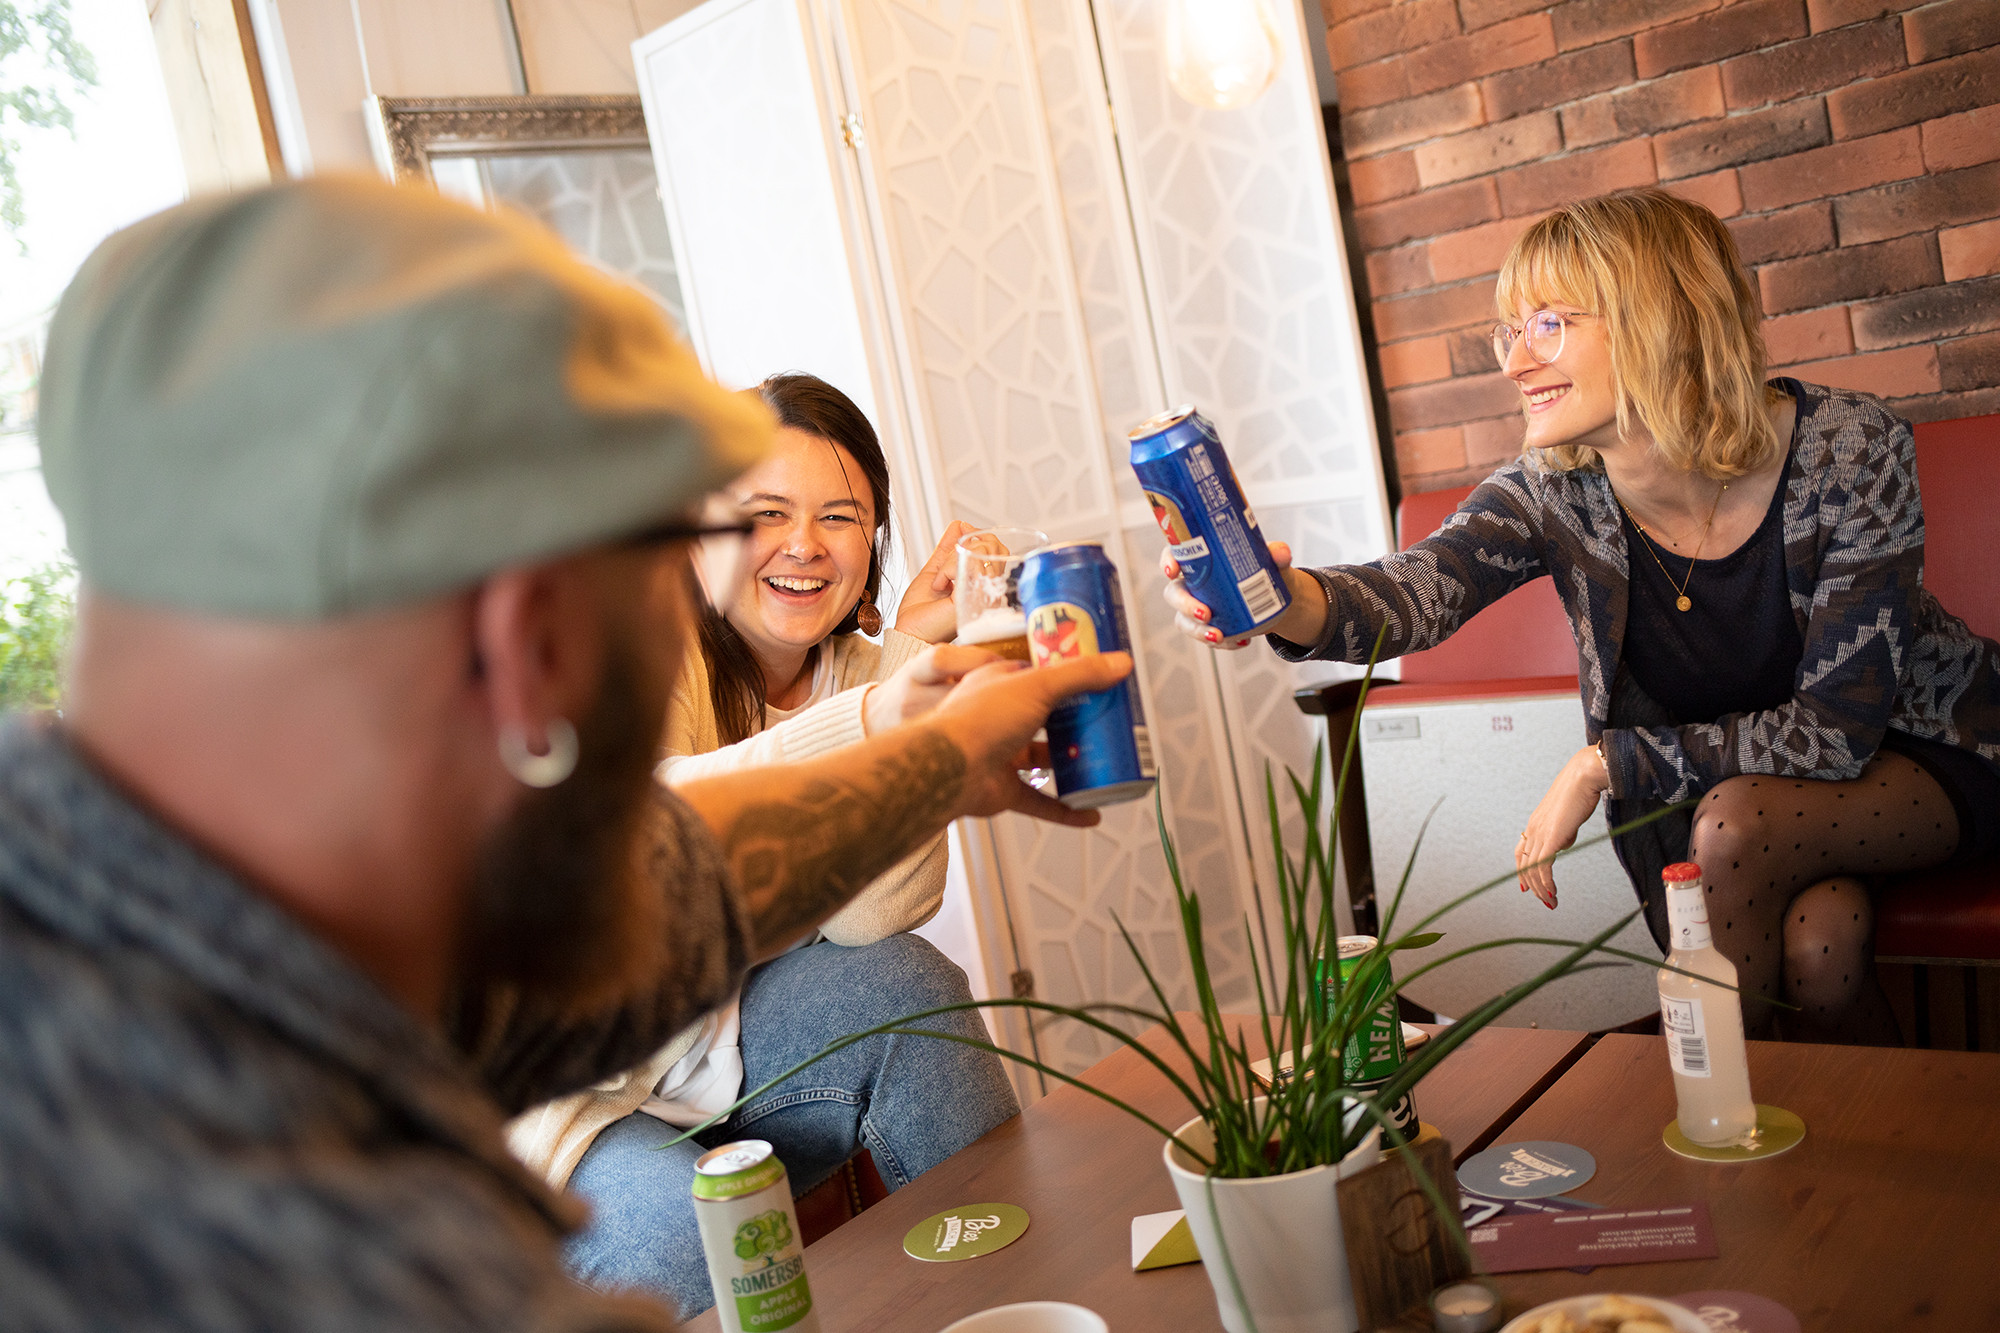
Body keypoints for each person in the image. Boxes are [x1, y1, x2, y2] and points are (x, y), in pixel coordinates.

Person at [0, 176, 1129, 1330]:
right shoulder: (337, 1260)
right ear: (527, 632)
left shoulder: (236, 892)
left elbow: (666, 878)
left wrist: (921, 756)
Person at [1159, 188, 2000, 1045]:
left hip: (1924, 753)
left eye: (1549, 325)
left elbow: (1835, 734)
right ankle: (1866, 1132)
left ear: (1660, 319)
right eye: (1509, 332)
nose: (1515, 363)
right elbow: (1413, 594)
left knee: (1735, 824)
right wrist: (1278, 597)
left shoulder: (1851, 449)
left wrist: (1604, 764)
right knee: (1819, 949)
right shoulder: (1555, 491)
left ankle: (1713, 1110)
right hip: (1741, 804)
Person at [509, 372, 1014, 1313]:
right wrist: (875, 716)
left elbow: (877, 917)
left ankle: (1014, 1297)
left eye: (841, 517)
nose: (804, 545)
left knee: (908, 984)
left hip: (726, 1053)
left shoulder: (866, 674)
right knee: (700, 1236)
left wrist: (907, 665)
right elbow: (654, 830)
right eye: (766, 513)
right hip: (570, 1100)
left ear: (875, 541)